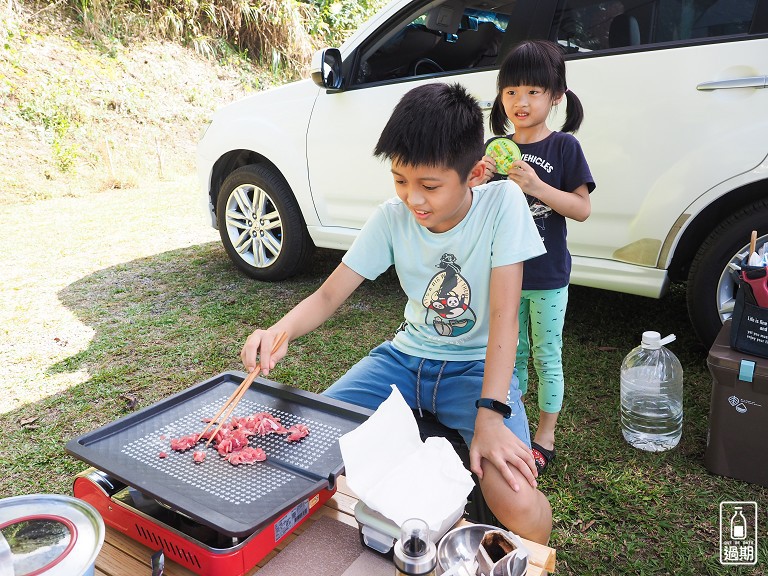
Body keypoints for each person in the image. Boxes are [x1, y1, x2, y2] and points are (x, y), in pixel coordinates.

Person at [241, 82, 553, 543]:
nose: (414, 199)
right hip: (404, 361)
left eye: (429, 185)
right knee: (316, 441)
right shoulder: (392, 216)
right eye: (400, 180)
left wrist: (490, 414)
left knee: (519, 502)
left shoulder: (502, 204)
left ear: (475, 174)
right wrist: (279, 330)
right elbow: (329, 295)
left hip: (477, 370)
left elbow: (506, 316)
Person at [481, 40, 595, 474]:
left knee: (547, 354)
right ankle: (517, 418)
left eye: (532, 91)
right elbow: (478, 210)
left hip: (547, 276)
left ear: (556, 96)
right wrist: (479, 180)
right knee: (510, 352)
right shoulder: (495, 147)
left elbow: (581, 209)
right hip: (504, 275)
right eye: (511, 92)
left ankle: (545, 432)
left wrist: (538, 187)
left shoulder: (564, 148)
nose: (520, 102)